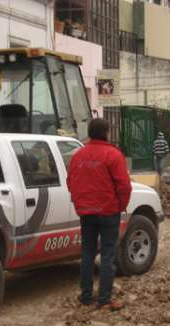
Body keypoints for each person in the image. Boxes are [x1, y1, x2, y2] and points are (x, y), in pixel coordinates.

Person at [67, 118, 132, 311]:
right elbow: (124, 186)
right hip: (108, 212)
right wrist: (120, 206)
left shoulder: (78, 156)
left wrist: (80, 202)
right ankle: (104, 299)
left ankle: (86, 296)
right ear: (106, 133)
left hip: (86, 213)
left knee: (87, 253)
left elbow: (71, 182)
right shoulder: (113, 155)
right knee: (107, 255)